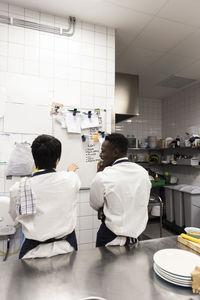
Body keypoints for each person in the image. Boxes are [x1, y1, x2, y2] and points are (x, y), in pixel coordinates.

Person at [9, 134, 81, 259]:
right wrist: (70, 170)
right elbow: (68, 177)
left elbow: (15, 217)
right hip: (66, 249)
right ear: (58, 159)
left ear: (34, 158)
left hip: (33, 253)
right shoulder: (70, 179)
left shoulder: (19, 188)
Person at [90, 133, 151, 247]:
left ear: (115, 152)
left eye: (103, 151)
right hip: (136, 237)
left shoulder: (103, 176)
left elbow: (95, 204)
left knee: (105, 265)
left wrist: (103, 208)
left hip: (110, 237)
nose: (101, 155)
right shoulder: (143, 172)